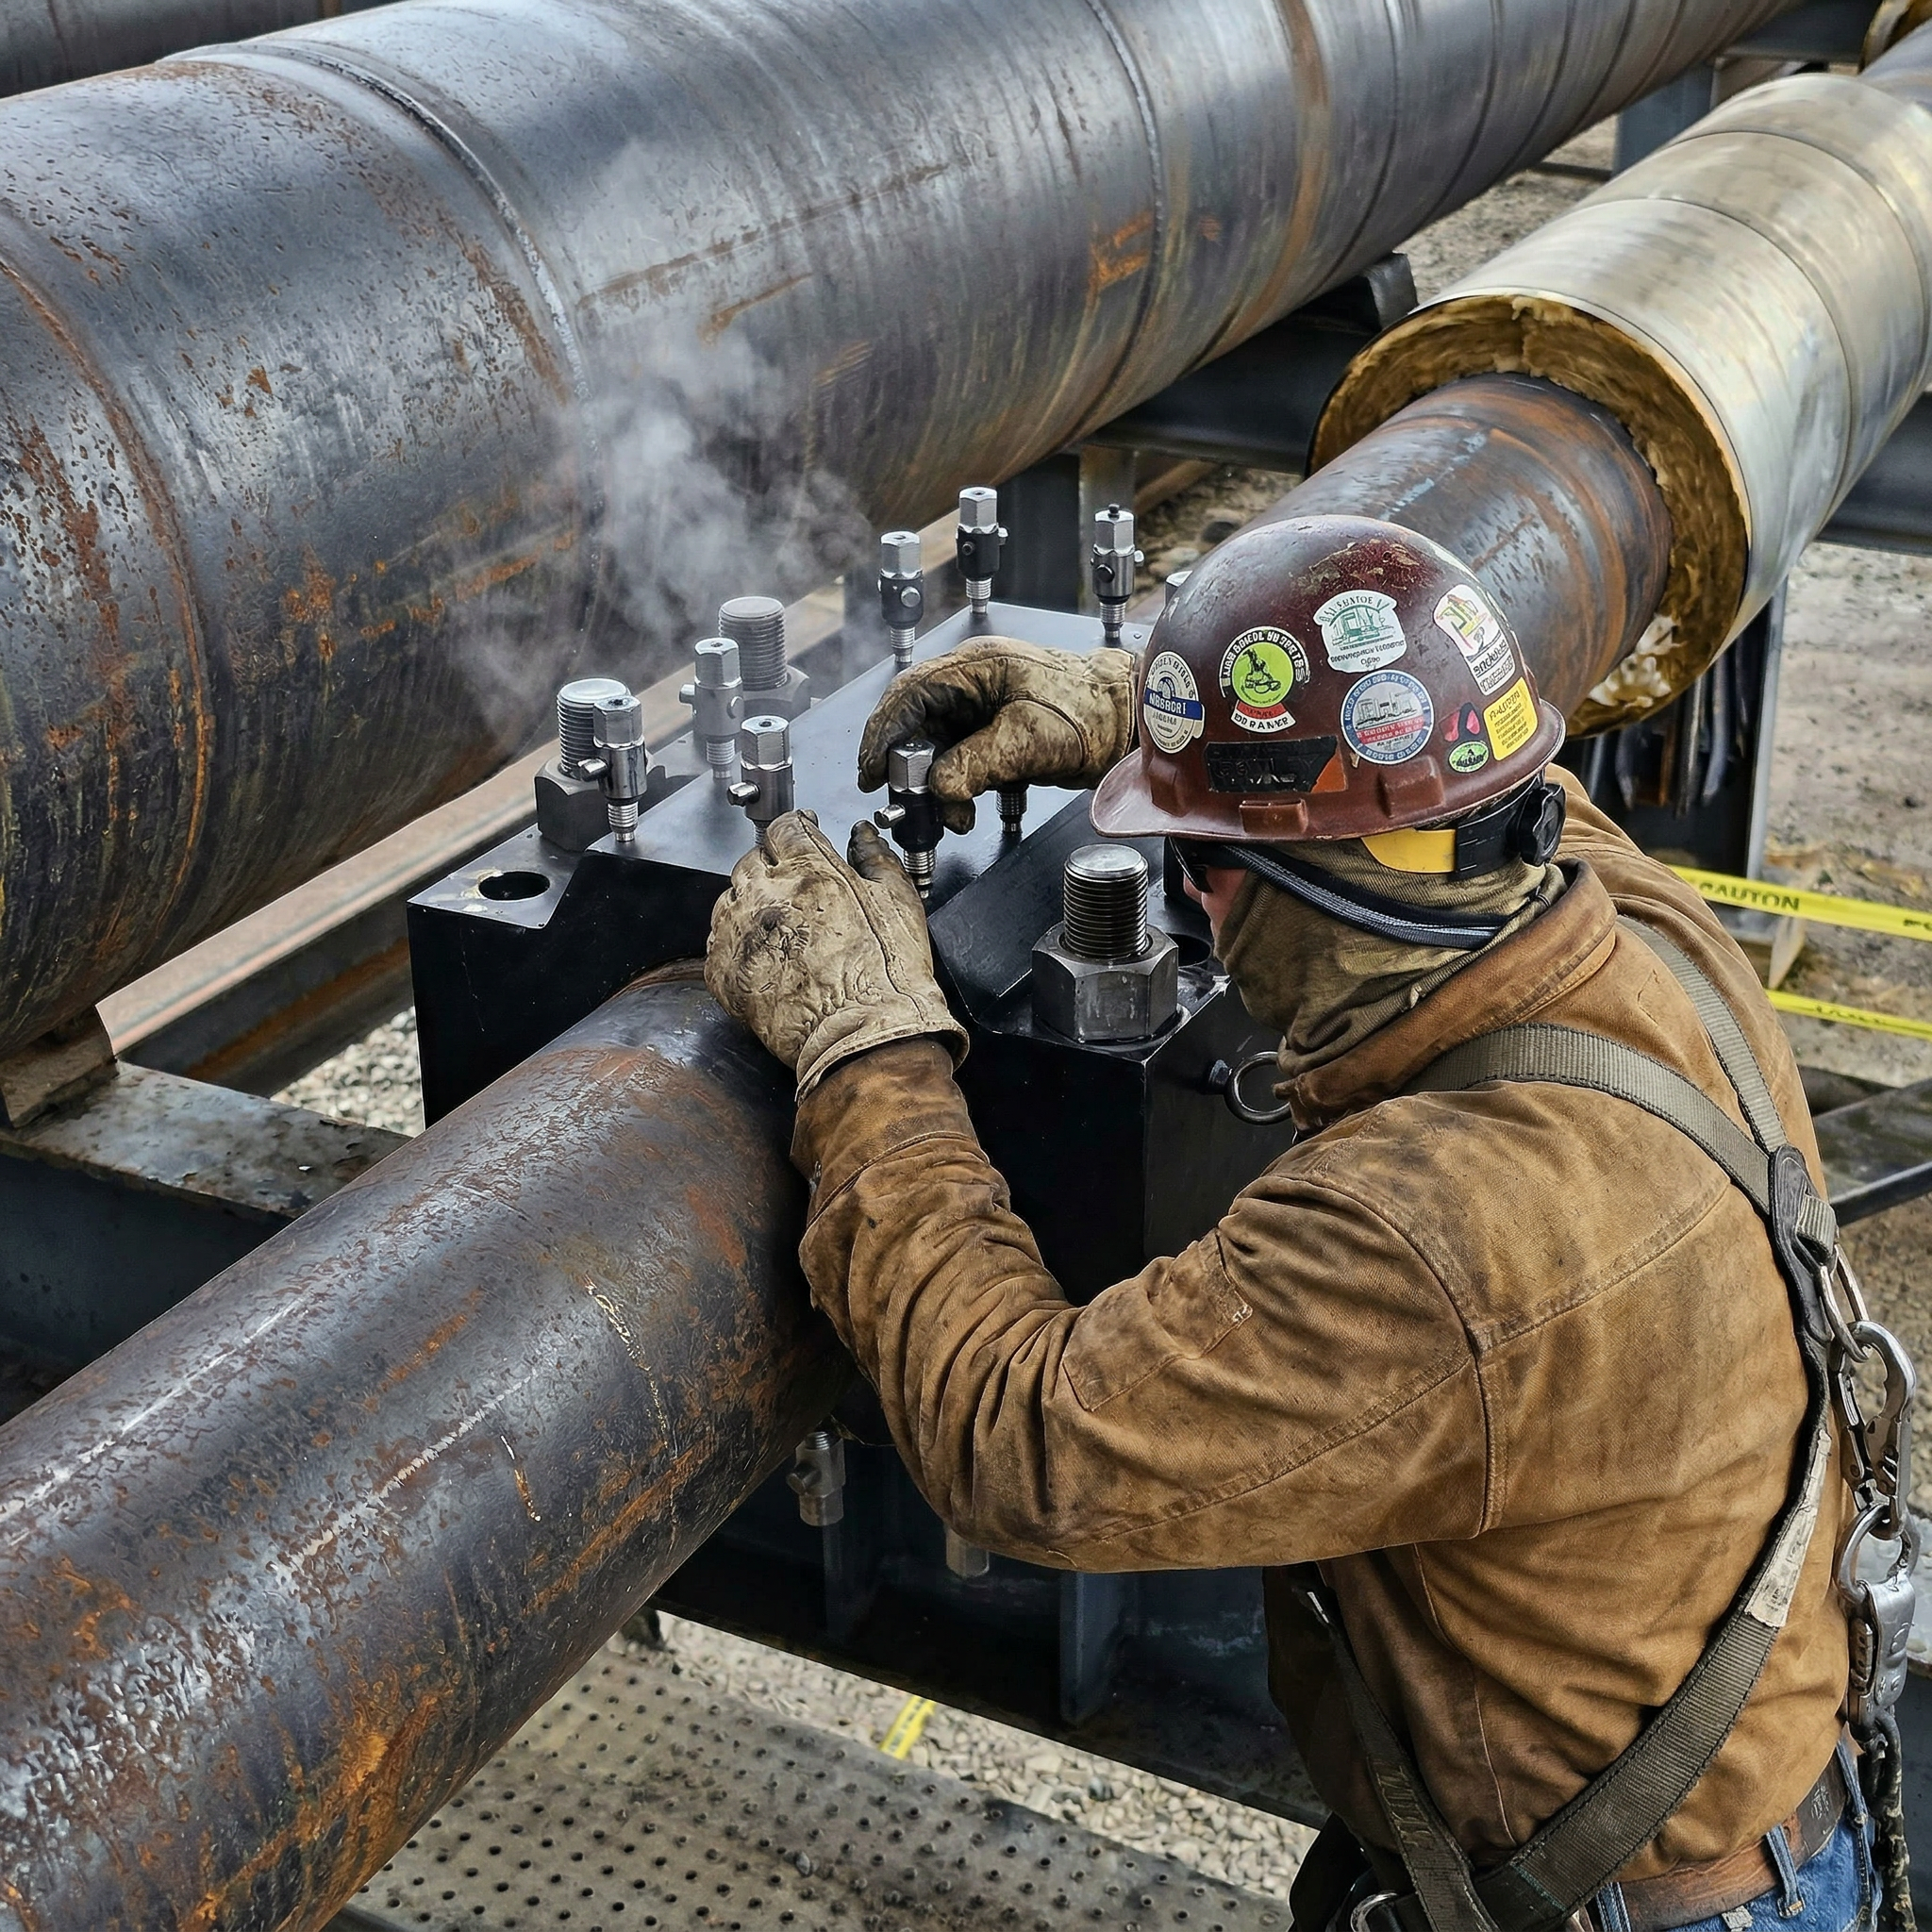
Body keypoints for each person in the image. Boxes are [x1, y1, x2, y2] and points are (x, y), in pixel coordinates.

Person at [705, 513, 1911, 1932]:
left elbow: (1023, 1442)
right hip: (1759, 1819)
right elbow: (1456, 775)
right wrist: (1143, 717)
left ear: (1292, 893)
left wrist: (867, 1053)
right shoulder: (1636, 921)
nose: (1189, 893)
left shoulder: (1434, 1228)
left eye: (1200, 862)